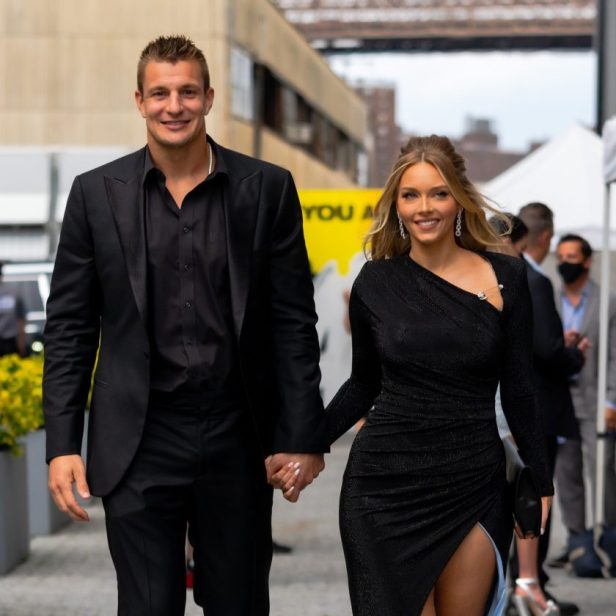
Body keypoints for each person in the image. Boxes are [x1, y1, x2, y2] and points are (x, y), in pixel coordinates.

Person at [43, 34, 326, 616]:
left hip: (238, 432)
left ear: (209, 98)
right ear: (140, 101)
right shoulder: (95, 194)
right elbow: (70, 326)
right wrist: (63, 444)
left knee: (240, 604)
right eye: (161, 93)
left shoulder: (266, 188)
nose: (175, 105)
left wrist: (302, 433)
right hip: (138, 438)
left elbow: (293, 320)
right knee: (147, 606)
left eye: (188, 92)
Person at [276, 135, 554, 616]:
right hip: (383, 488)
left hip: (474, 482)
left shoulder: (508, 277)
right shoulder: (375, 283)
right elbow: (363, 384)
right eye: (411, 195)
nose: (425, 207)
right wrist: (308, 440)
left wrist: (541, 479)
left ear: (459, 200)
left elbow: (520, 389)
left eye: (438, 193)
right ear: (396, 206)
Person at [516, 203, 587, 616]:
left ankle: (521, 583)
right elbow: (546, 350)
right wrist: (574, 355)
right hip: (537, 409)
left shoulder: (486, 273)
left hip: (504, 408)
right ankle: (532, 585)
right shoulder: (534, 280)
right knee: (536, 498)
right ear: (545, 237)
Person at [489, 215, 559, 616]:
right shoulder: (511, 280)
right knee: (516, 497)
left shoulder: (511, 282)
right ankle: (524, 583)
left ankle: (523, 583)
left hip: (503, 411)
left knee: (519, 497)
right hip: (497, 411)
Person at [552, 233, 616, 563]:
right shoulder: (550, 300)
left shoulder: (607, 301)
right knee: (567, 472)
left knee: (603, 469)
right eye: (560, 257)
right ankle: (577, 539)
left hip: (594, 401)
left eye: (572, 257)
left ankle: (609, 536)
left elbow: (614, 356)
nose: (565, 263)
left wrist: (611, 401)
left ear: (588, 261)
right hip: (562, 401)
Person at [0, 262, 26, 357]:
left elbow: (21, 318)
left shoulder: (13, 292)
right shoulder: (13, 292)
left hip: (9, 341)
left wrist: (21, 342)